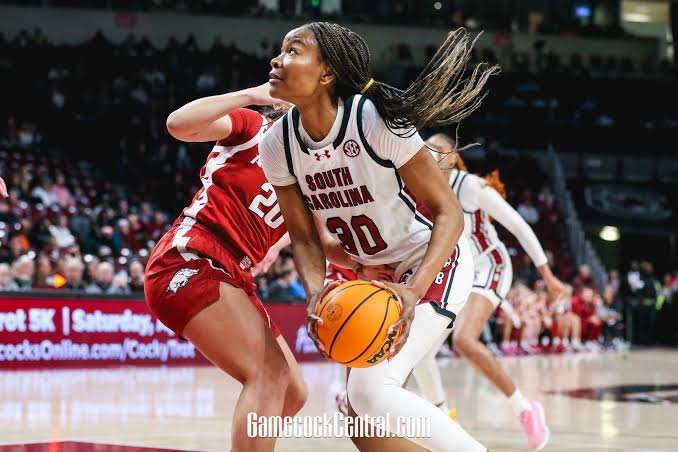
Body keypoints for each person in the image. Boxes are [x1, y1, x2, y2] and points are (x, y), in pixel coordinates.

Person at [260, 22, 497, 451]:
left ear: (327, 72)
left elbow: (449, 213)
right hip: (370, 274)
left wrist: (412, 291)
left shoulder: (374, 123)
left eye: (293, 51)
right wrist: (315, 292)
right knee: (360, 422)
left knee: (369, 394)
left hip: (429, 262)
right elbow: (303, 236)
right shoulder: (277, 144)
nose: (277, 60)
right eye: (280, 51)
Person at [143, 84, 307, 451]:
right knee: (269, 374)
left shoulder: (308, 177)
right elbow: (178, 124)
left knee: (293, 393)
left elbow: (323, 240)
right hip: (189, 258)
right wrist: (255, 94)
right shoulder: (254, 129)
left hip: (234, 272)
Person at [412, 133, 565, 450]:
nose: (430, 153)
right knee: (421, 353)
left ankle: (524, 408)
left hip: (490, 265)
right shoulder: (420, 188)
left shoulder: (469, 186)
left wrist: (547, 275)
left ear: (453, 157)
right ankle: (444, 424)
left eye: (438, 149)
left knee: (464, 339)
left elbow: (519, 226)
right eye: (426, 148)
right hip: (457, 273)